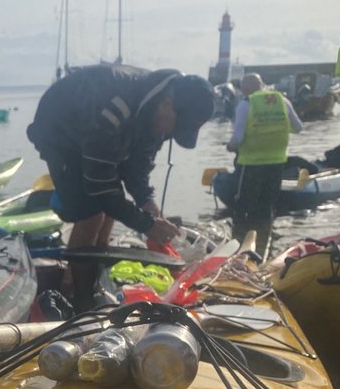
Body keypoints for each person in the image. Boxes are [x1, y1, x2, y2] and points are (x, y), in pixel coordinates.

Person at [26, 65, 214, 306]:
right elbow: (100, 187)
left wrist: (149, 207)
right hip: (61, 131)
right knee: (91, 213)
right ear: (167, 106)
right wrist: (146, 225)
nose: (170, 134)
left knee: (108, 212)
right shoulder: (116, 105)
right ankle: (78, 297)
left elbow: (137, 170)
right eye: (176, 128)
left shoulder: (158, 116)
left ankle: (94, 276)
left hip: (104, 134)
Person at [225, 72, 304, 260]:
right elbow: (298, 127)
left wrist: (230, 146)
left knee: (244, 206)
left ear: (244, 88)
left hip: (251, 164)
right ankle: (265, 245)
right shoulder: (282, 101)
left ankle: (240, 248)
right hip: (276, 162)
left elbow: (238, 138)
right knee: (267, 204)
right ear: (262, 84)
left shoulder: (246, 104)